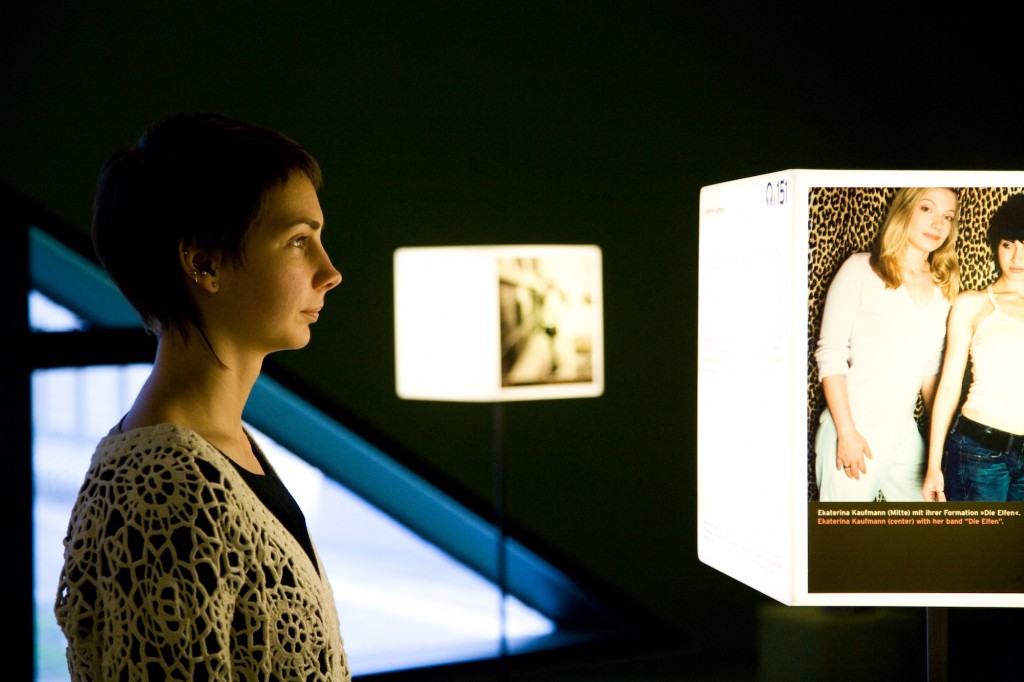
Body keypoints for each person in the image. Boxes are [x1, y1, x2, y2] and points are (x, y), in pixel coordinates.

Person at [53, 112, 350, 680]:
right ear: (203, 263)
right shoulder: (163, 488)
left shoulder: (225, 447)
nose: (329, 272)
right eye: (297, 241)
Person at [814, 187, 960, 502]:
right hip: (854, 428)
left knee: (928, 532)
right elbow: (831, 355)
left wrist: (945, 441)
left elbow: (930, 371)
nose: (938, 224)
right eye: (926, 209)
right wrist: (847, 432)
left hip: (904, 433)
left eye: (947, 217)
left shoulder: (943, 286)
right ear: (904, 210)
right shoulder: (860, 268)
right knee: (847, 547)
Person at [923, 193, 1024, 502]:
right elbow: (949, 385)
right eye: (1009, 245)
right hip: (977, 452)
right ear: (996, 245)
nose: (1016, 259)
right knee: (976, 549)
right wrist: (933, 464)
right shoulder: (973, 303)